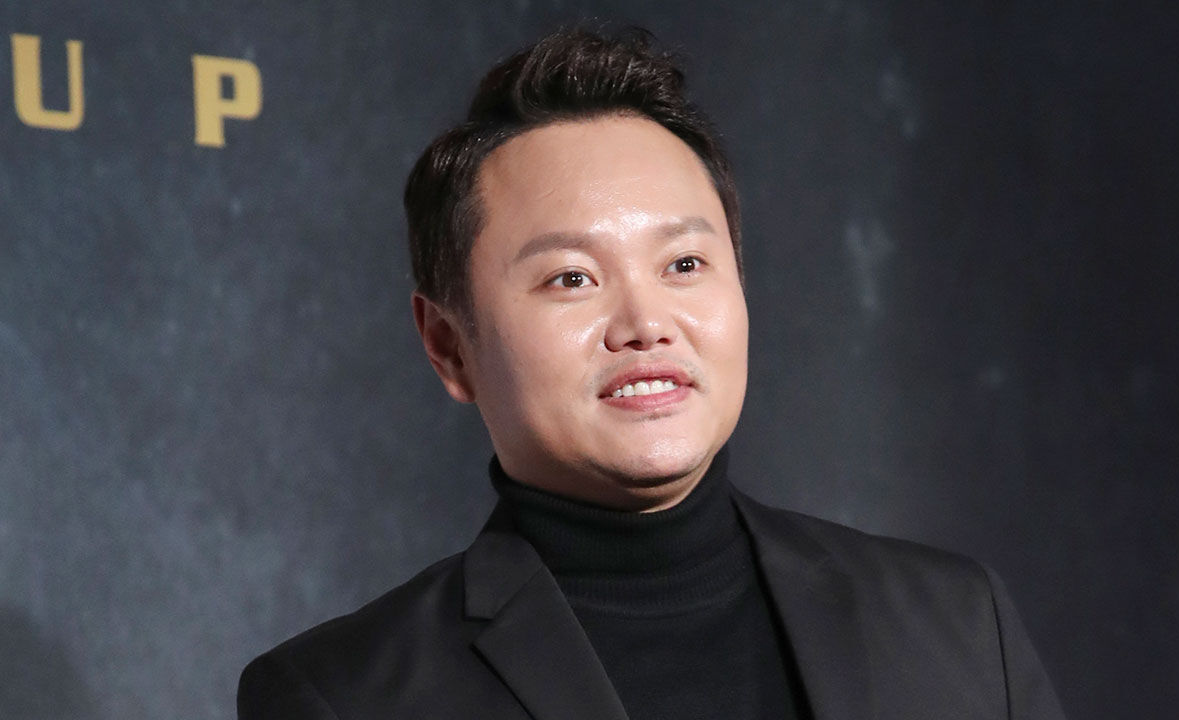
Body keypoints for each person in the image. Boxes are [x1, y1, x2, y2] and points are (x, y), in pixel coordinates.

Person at [237, 27, 1067, 720]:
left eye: (684, 264)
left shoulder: (958, 625)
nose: (645, 323)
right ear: (448, 346)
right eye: (572, 278)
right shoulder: (343, 697)